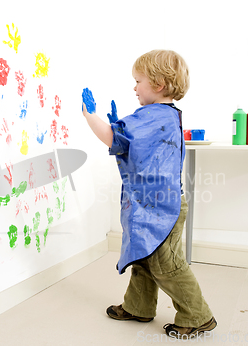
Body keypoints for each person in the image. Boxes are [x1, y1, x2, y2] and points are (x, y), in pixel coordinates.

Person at [81, 50, 216, 339]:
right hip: (155, 205)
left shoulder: (154, 115)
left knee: (166, 264)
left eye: (138, 81)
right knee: (143, 257)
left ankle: (197, 315)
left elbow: (113, 138)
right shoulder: (164, 116)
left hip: (161, 208)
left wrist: (90, 116)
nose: (134, 87)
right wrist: (122, 129)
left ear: (158, 84)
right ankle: (138, 306)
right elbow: (134, 146)